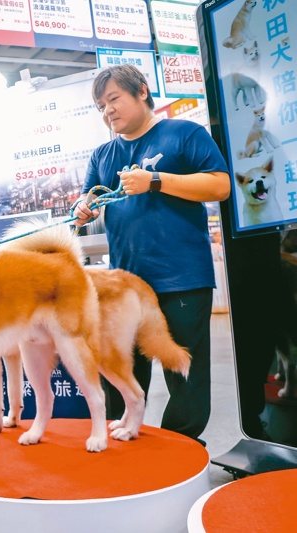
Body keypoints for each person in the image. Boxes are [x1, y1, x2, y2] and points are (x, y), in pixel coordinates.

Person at [72, 65, 231, 441]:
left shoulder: (184, 134)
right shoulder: (103, 154)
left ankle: (181, 448)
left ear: (142, 91)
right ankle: (121, 440)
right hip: (124, 284)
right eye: (100, 106)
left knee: (184, 372)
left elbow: (220, 184)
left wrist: (155, 181)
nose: (107, 111)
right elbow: (90, 193)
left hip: (183, 277)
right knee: (118, 366)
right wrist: (85, 206)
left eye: (114, 99)